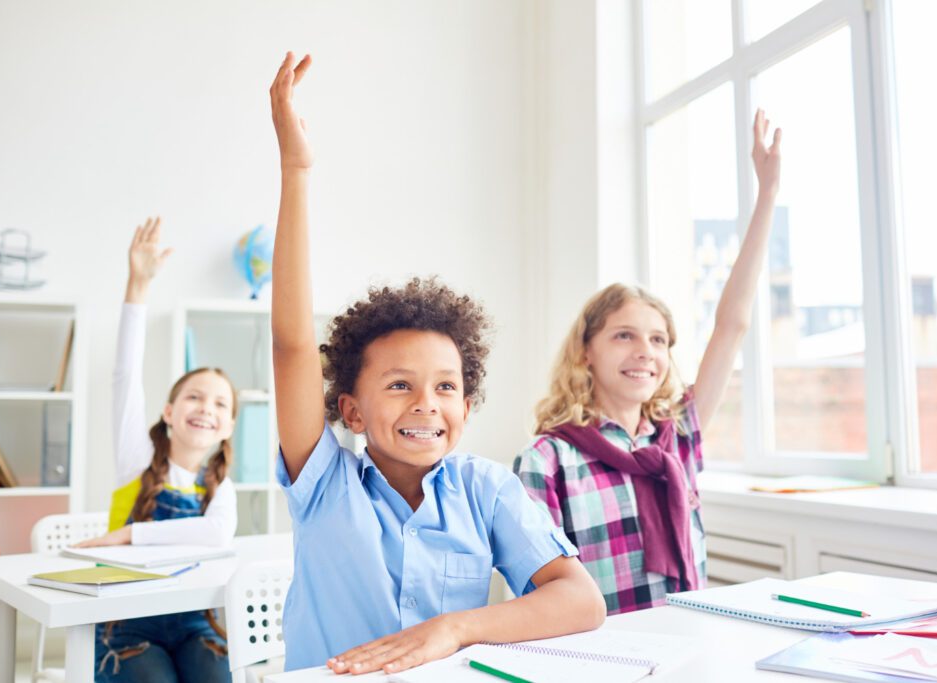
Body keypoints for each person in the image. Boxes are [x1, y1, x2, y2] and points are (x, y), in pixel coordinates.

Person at [269, 51, 606, 676]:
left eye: (445, 387)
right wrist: (296, 169)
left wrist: (453, 629)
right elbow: (292, 346)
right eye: (399, 385)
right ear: (350, 409)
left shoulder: (486, 489)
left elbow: (581, 600)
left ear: (466, 406)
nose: (426, 403)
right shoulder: (324, 485)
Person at [515, 110, 782, 615]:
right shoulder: (547, 461)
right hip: (599, 659)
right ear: (586, 352)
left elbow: (733, 325)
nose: (646, 352)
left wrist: (767, 194)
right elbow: (538, 599)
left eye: (659, 340)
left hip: (689, 644)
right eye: (624, 336)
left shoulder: (677, 435)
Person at [76, 217, 237, 682]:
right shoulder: (137, 458)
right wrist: (138, 286)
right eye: (194, 396)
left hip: (194, 623)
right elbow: (124, 375)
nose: (206, 408)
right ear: (169, 411)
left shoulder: (219, 482)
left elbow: (217, 535)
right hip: (125, 626)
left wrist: (129, 536)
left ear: (227, 427)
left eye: (220, 404)